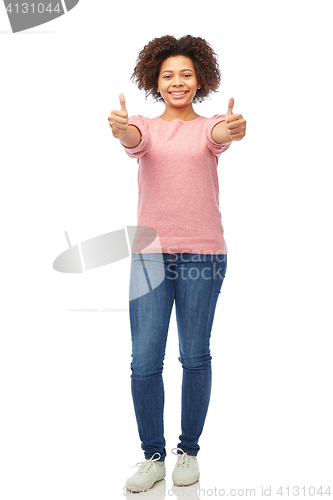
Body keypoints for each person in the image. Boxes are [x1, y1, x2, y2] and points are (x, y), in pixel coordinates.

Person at [108, 34, 246, 493]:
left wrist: (234, 127)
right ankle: (152, 455)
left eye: (185, 74)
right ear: (156, 81)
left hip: (204, 254)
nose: (177, 82)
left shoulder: (210, 126)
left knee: (193, 355)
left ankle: (188, 450)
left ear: (199, 79)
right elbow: (132, 138)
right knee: (144, 360)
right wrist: (120, 128)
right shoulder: (144, 126)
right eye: (168, 75)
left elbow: (223, 135)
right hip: (149, 258)